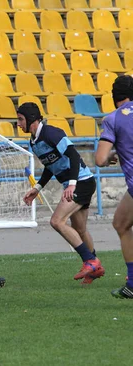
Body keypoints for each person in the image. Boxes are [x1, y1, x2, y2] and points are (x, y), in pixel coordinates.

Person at [19, 102, 104, 285]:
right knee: (80, 229)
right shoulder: (34, 142)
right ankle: (95, 267)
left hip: (81, 182)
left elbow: (73, 155)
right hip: (79, 183)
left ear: (32, 119)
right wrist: (38, 188)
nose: (18, 124)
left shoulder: (52, 133)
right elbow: (51, 166)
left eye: (21, 119)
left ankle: (90, 262)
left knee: (56, 221)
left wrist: (71, 184)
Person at [95, 75, 133, 298]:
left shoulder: (114, 118)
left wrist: (110, 155)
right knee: (120, 222)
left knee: (121, 225)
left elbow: (99, 160)